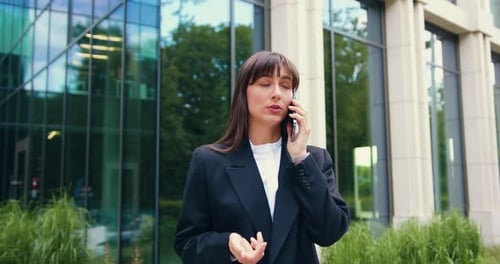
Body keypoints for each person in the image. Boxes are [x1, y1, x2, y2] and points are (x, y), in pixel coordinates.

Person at [173, 51, 349, 264]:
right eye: (265, 83)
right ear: (243, 93)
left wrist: (300, 159)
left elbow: (330, 232)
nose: (276, 93)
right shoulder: (209, 161)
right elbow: (187, 243)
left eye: (285, 86)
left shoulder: (313, 160)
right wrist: (228, 244)